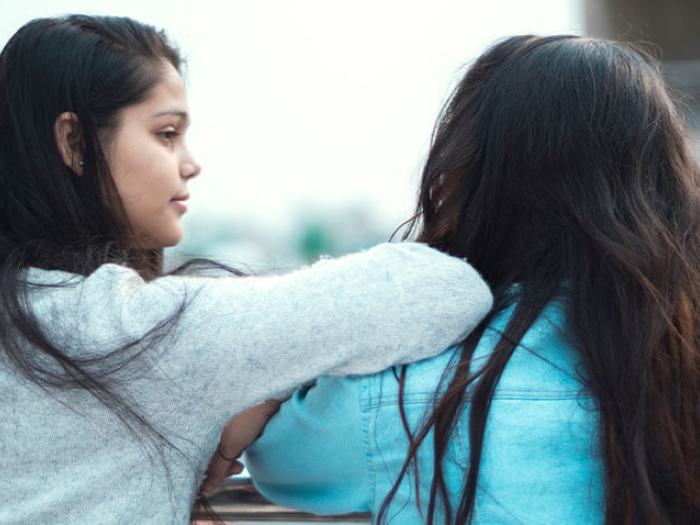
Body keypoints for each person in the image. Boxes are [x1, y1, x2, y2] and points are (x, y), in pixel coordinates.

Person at [0, 15, 494, 524]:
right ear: (74, 142)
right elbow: (447, 290)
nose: (191, 164)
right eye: (166, 133)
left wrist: (264, 379)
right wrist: (269, 383)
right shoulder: (132, 335)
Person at [217, 34, 700, 524]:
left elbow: (285, 466)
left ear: (471, 172)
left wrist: (286, 370)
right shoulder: (682, 367)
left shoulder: (401, 391)